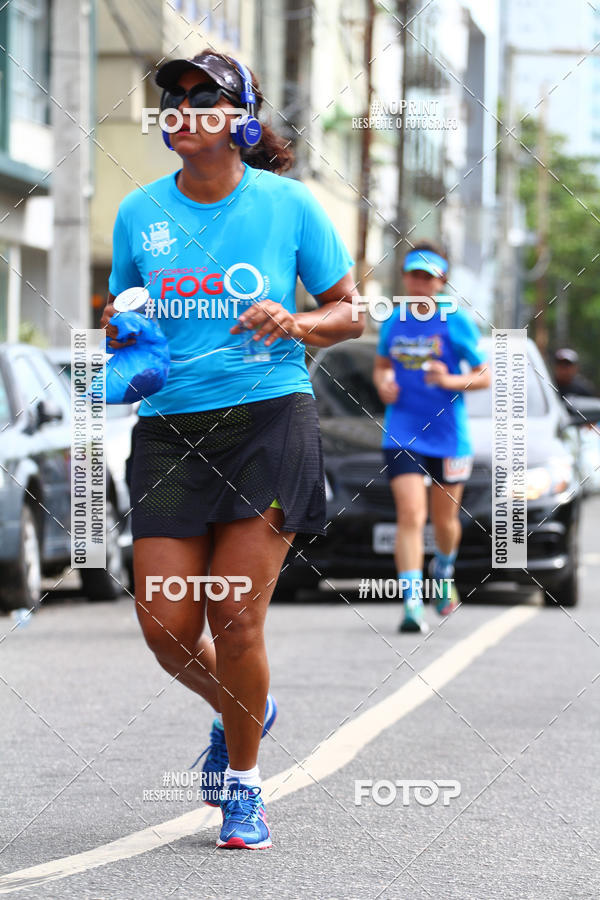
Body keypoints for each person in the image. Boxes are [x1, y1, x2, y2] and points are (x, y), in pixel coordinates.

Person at [101, 50, 363, 850]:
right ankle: (244, 707)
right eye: (171, 98)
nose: (181, 108)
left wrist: (296, 323)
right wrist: (118, 326)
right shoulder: (137, 211)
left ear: (240, 116)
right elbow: (117, 308)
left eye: (202, 95)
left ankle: (243, 785)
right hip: (170, 432)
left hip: (268, 421)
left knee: (236, 620)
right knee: (165, 626)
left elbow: (348, 313)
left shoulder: (288, 205)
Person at [373, 241, 490, 634]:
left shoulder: (455, 321)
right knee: (410, 515)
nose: (420, 284)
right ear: (404, 277)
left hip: (448, 435)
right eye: (414, 275)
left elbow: (485, 374)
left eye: (429, 277)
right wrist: (383, 384)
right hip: (402, 431)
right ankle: (411, 601)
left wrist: (450, 380)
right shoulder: (393, 320)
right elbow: (381, 365)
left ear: (441, 282)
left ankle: (443, 571)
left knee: (445, 520)